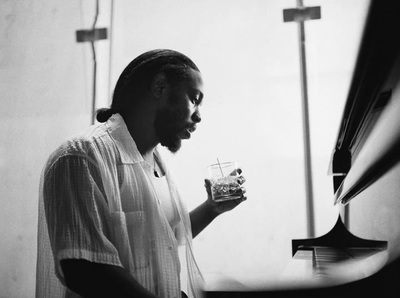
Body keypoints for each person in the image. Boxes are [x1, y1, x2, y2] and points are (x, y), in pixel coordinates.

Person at [35, 49, 246, 298]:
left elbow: (164, 239)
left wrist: (212, 208)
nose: (198, 115)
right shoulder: (81, 157)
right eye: (194, 99)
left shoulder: (156, 162)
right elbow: (84, 269)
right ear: (159, 86)